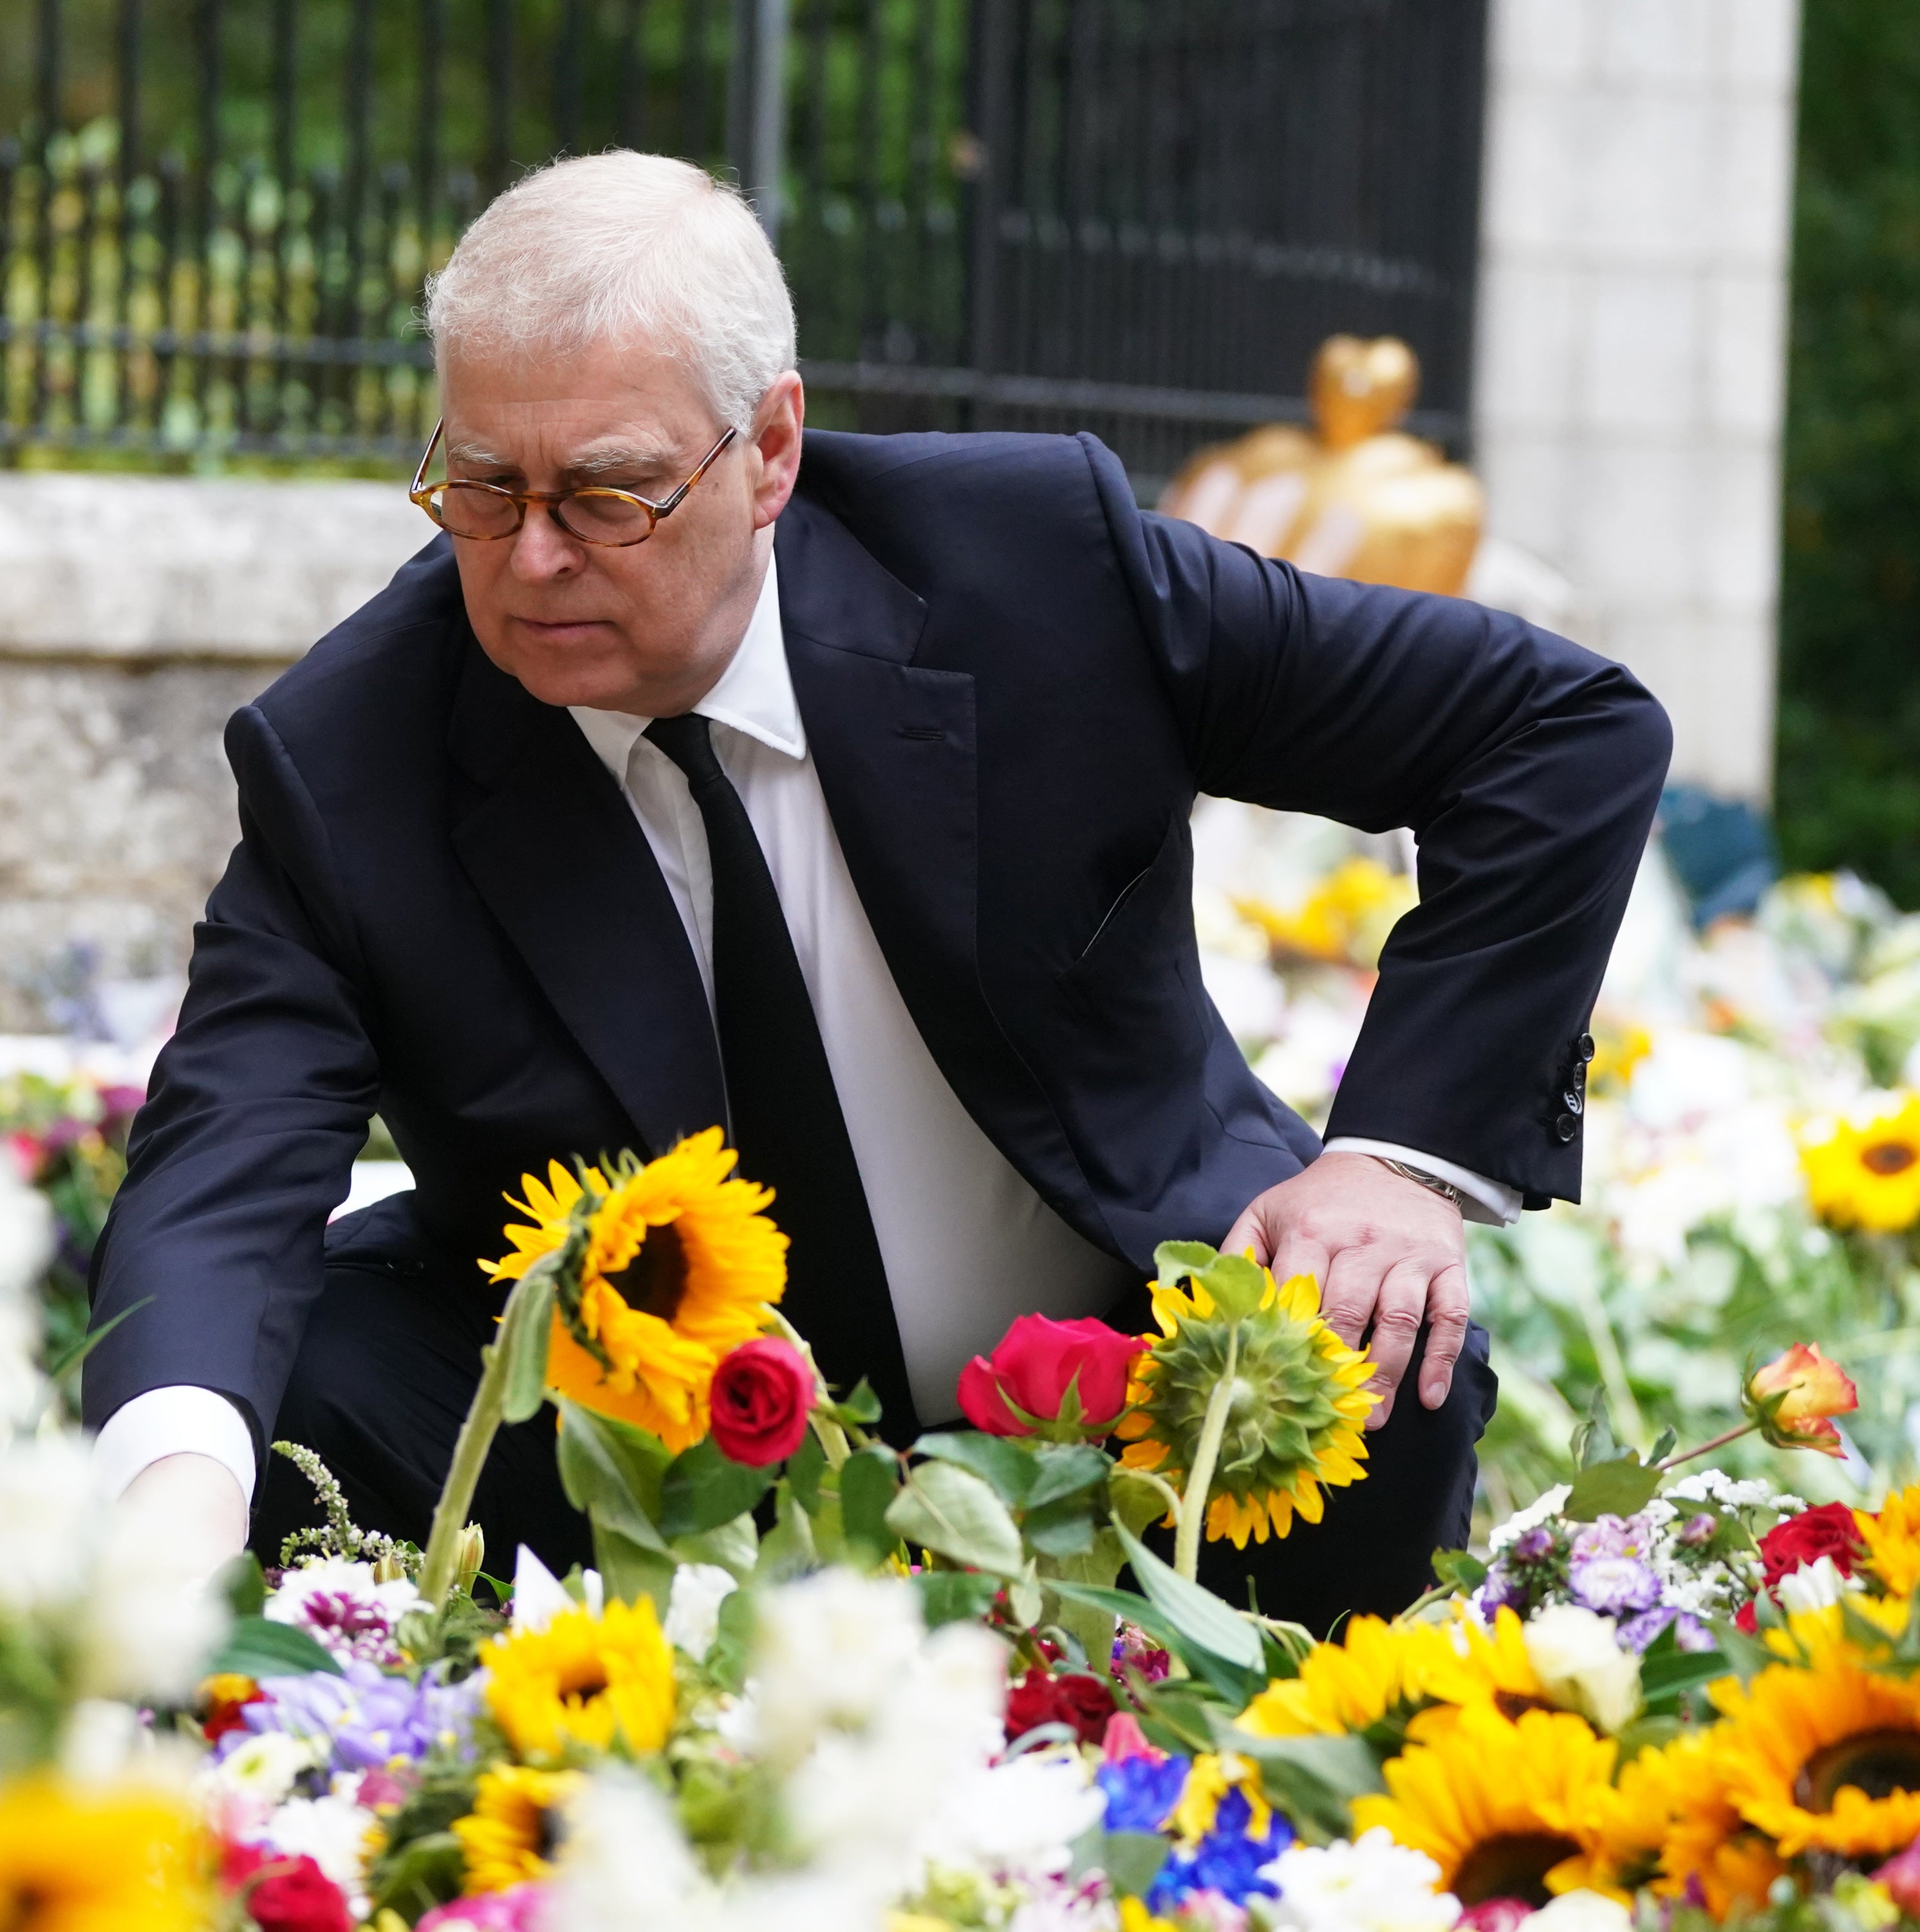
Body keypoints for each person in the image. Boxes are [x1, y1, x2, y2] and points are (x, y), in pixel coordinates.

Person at [82, 152, 1668, 1629]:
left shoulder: (1031, 564)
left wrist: (1396, 1163)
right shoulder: (349, 751)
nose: (530, 558)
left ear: (769, 448)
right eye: (482, 488)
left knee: (1365, 1343)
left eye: (605, 494)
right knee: (299, 1388)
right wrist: (170, 1497)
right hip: (640, 1455)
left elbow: (1551, 729)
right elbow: (226, 1158)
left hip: (1125, 1384)